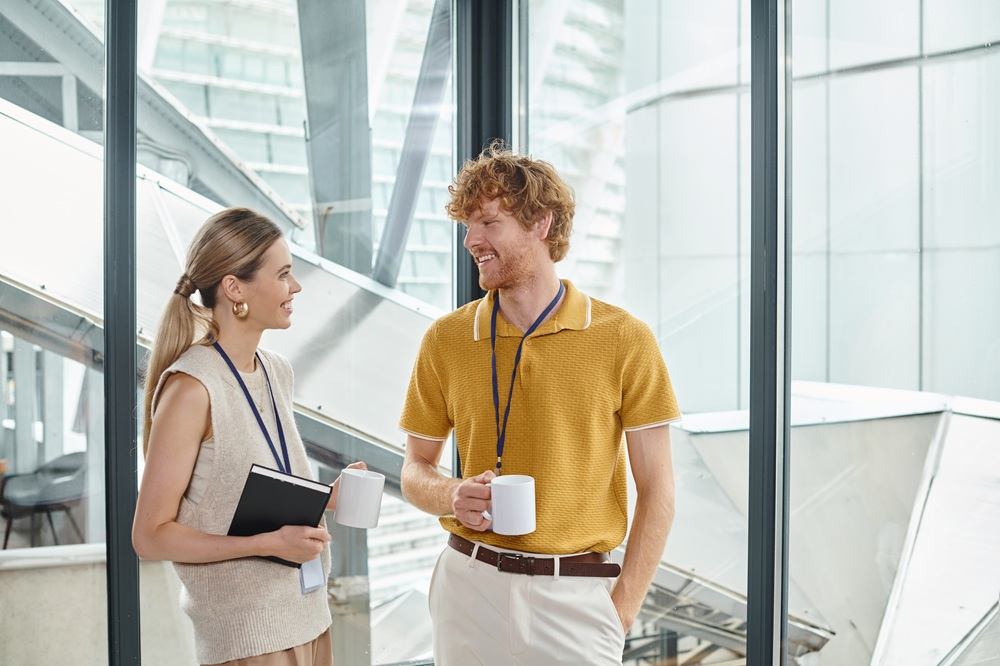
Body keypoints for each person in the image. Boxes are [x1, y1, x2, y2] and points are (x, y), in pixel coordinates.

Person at [398, 142, 681, 665]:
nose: (471, 240)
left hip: (575, 598)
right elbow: (415, 469)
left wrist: (620, 611)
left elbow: (659, 490)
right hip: (468, 589)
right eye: (467, 225)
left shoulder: (624, 338)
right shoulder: (446, 339)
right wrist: (450, 494)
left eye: (488, 223)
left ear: (541, 225)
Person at [133, 207, 365, 666]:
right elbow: (150, 536)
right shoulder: (192, 389)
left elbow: (249, 489)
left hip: (309, 619)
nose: (295, 287)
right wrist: (264, 545)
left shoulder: (276, 371)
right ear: (234, 288)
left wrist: (327, 498)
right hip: (248, 640)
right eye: (282, 275)